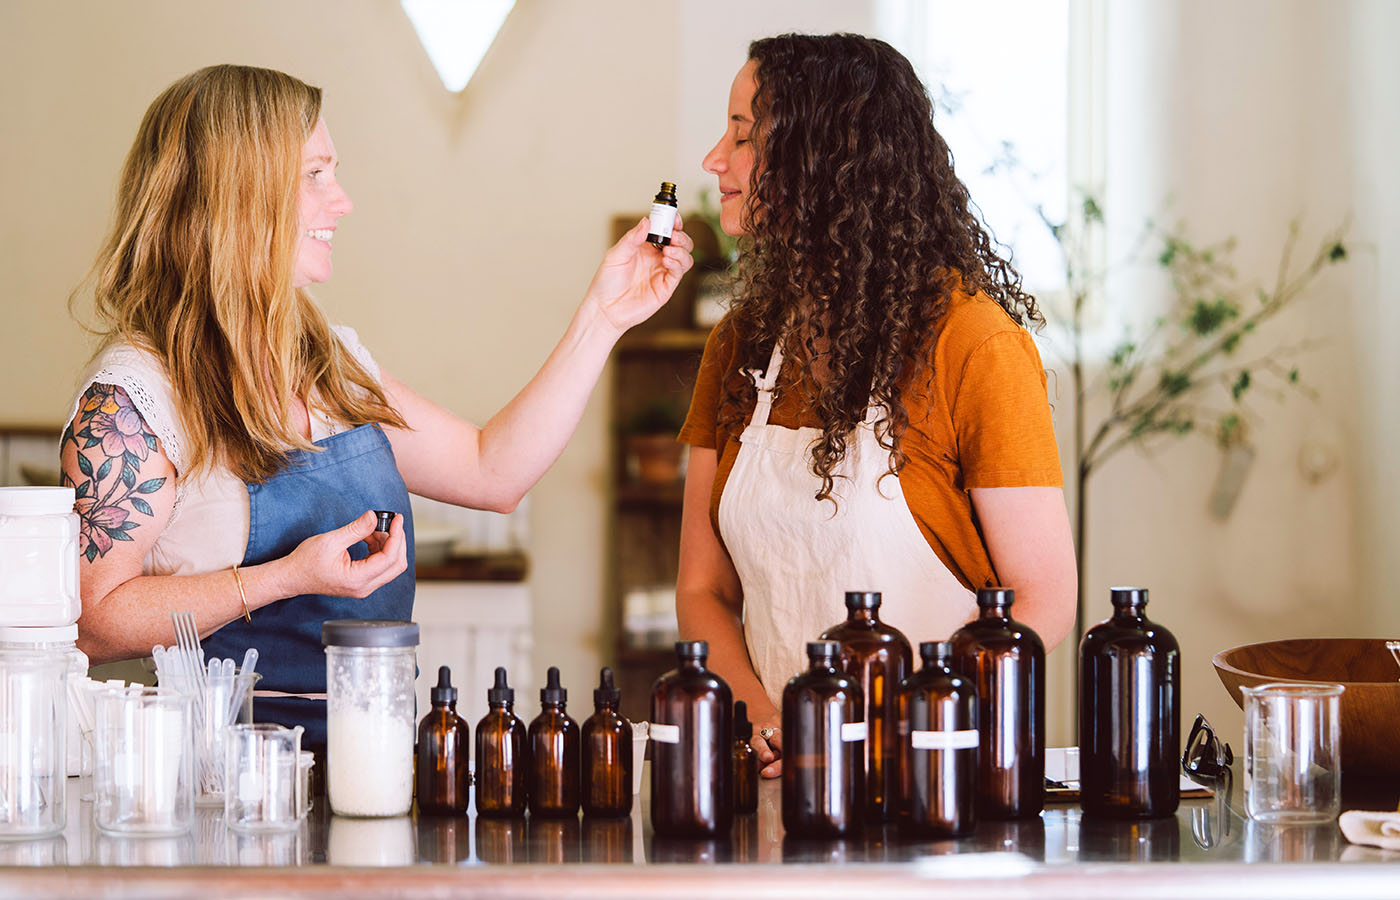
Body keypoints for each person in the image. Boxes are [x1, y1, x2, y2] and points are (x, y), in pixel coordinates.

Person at [60, 64, 693, 747]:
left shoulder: (331, 361)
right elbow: (93, 621)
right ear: (239, 195)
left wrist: (603, 317)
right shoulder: (132, 403)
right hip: (228, 780)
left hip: (375, 755)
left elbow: (493, 472)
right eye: (316, 175)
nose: (343, 201)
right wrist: (283, 577)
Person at [675, 34, 1077, 777]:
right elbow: (702, 589)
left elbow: (1044, 602)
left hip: (938, 782)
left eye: (742, 134)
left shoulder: (975, 343)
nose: (714, 160)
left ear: (824, 156)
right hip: (784, 780)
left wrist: (880, 729)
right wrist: (765, 719)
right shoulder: (740, 345)